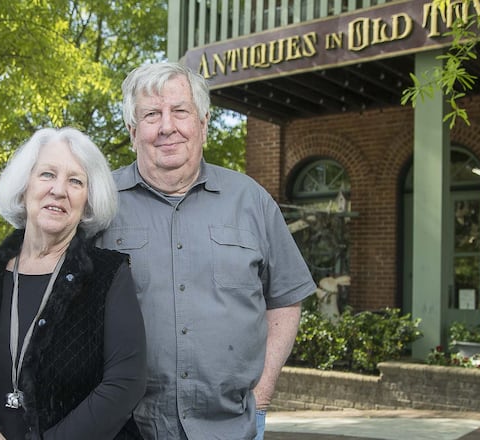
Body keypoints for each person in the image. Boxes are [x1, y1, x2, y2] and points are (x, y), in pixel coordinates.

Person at [96, 62, 316, 439]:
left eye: (180, 111)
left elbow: (285, 299)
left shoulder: (252, 201)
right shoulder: (98, 206)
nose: (167, 126)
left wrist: (261, 394)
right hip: (123, 429)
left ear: (204, 123)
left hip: (233, 427)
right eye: (151, 115)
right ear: (133, 131)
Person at [0, 127, 147, 439]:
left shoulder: (108, 274)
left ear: (88, 201)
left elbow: (126, 381)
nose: (59, 190)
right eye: (47, 174)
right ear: (23, 187)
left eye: (75, 181)